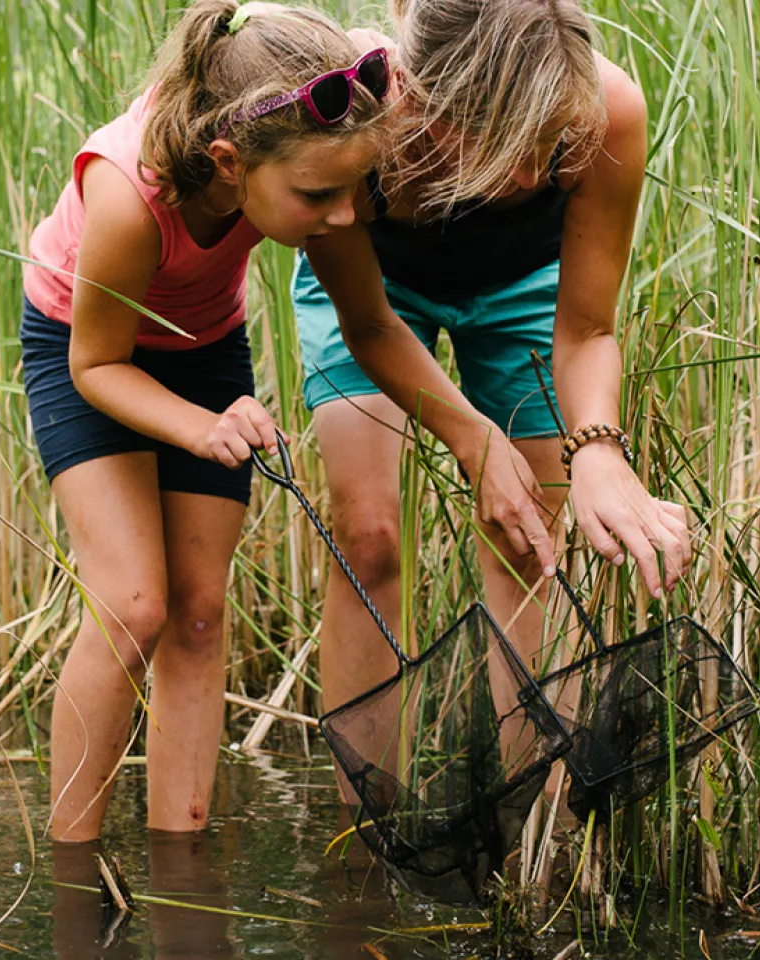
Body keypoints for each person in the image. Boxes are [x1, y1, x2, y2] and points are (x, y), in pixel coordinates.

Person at [23, 0, 389, 842]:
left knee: (197, 612)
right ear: (228, 162)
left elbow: (371, 321)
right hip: (87, 347)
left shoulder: (305, 156)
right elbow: (97, 365)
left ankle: (182, 863)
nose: (344, 216)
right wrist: (198, 427)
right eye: (318, 195)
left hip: (204, 341)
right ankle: (76, 871)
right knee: (132, 605)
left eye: (354, 188)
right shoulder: (128, 192)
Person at [292, 0, 692, 768]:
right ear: (423, 96)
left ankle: (536, 821)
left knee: (530, 542)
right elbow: (370, 326)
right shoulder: (347, 107)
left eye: (552, 141)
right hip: (376, 296)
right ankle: (365, 843)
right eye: (505, 139)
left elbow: (587, 330)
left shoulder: (609, 112)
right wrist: (475, 444)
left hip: (523, 286)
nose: (532, 174)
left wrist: (599, 451)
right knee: (369, 535)